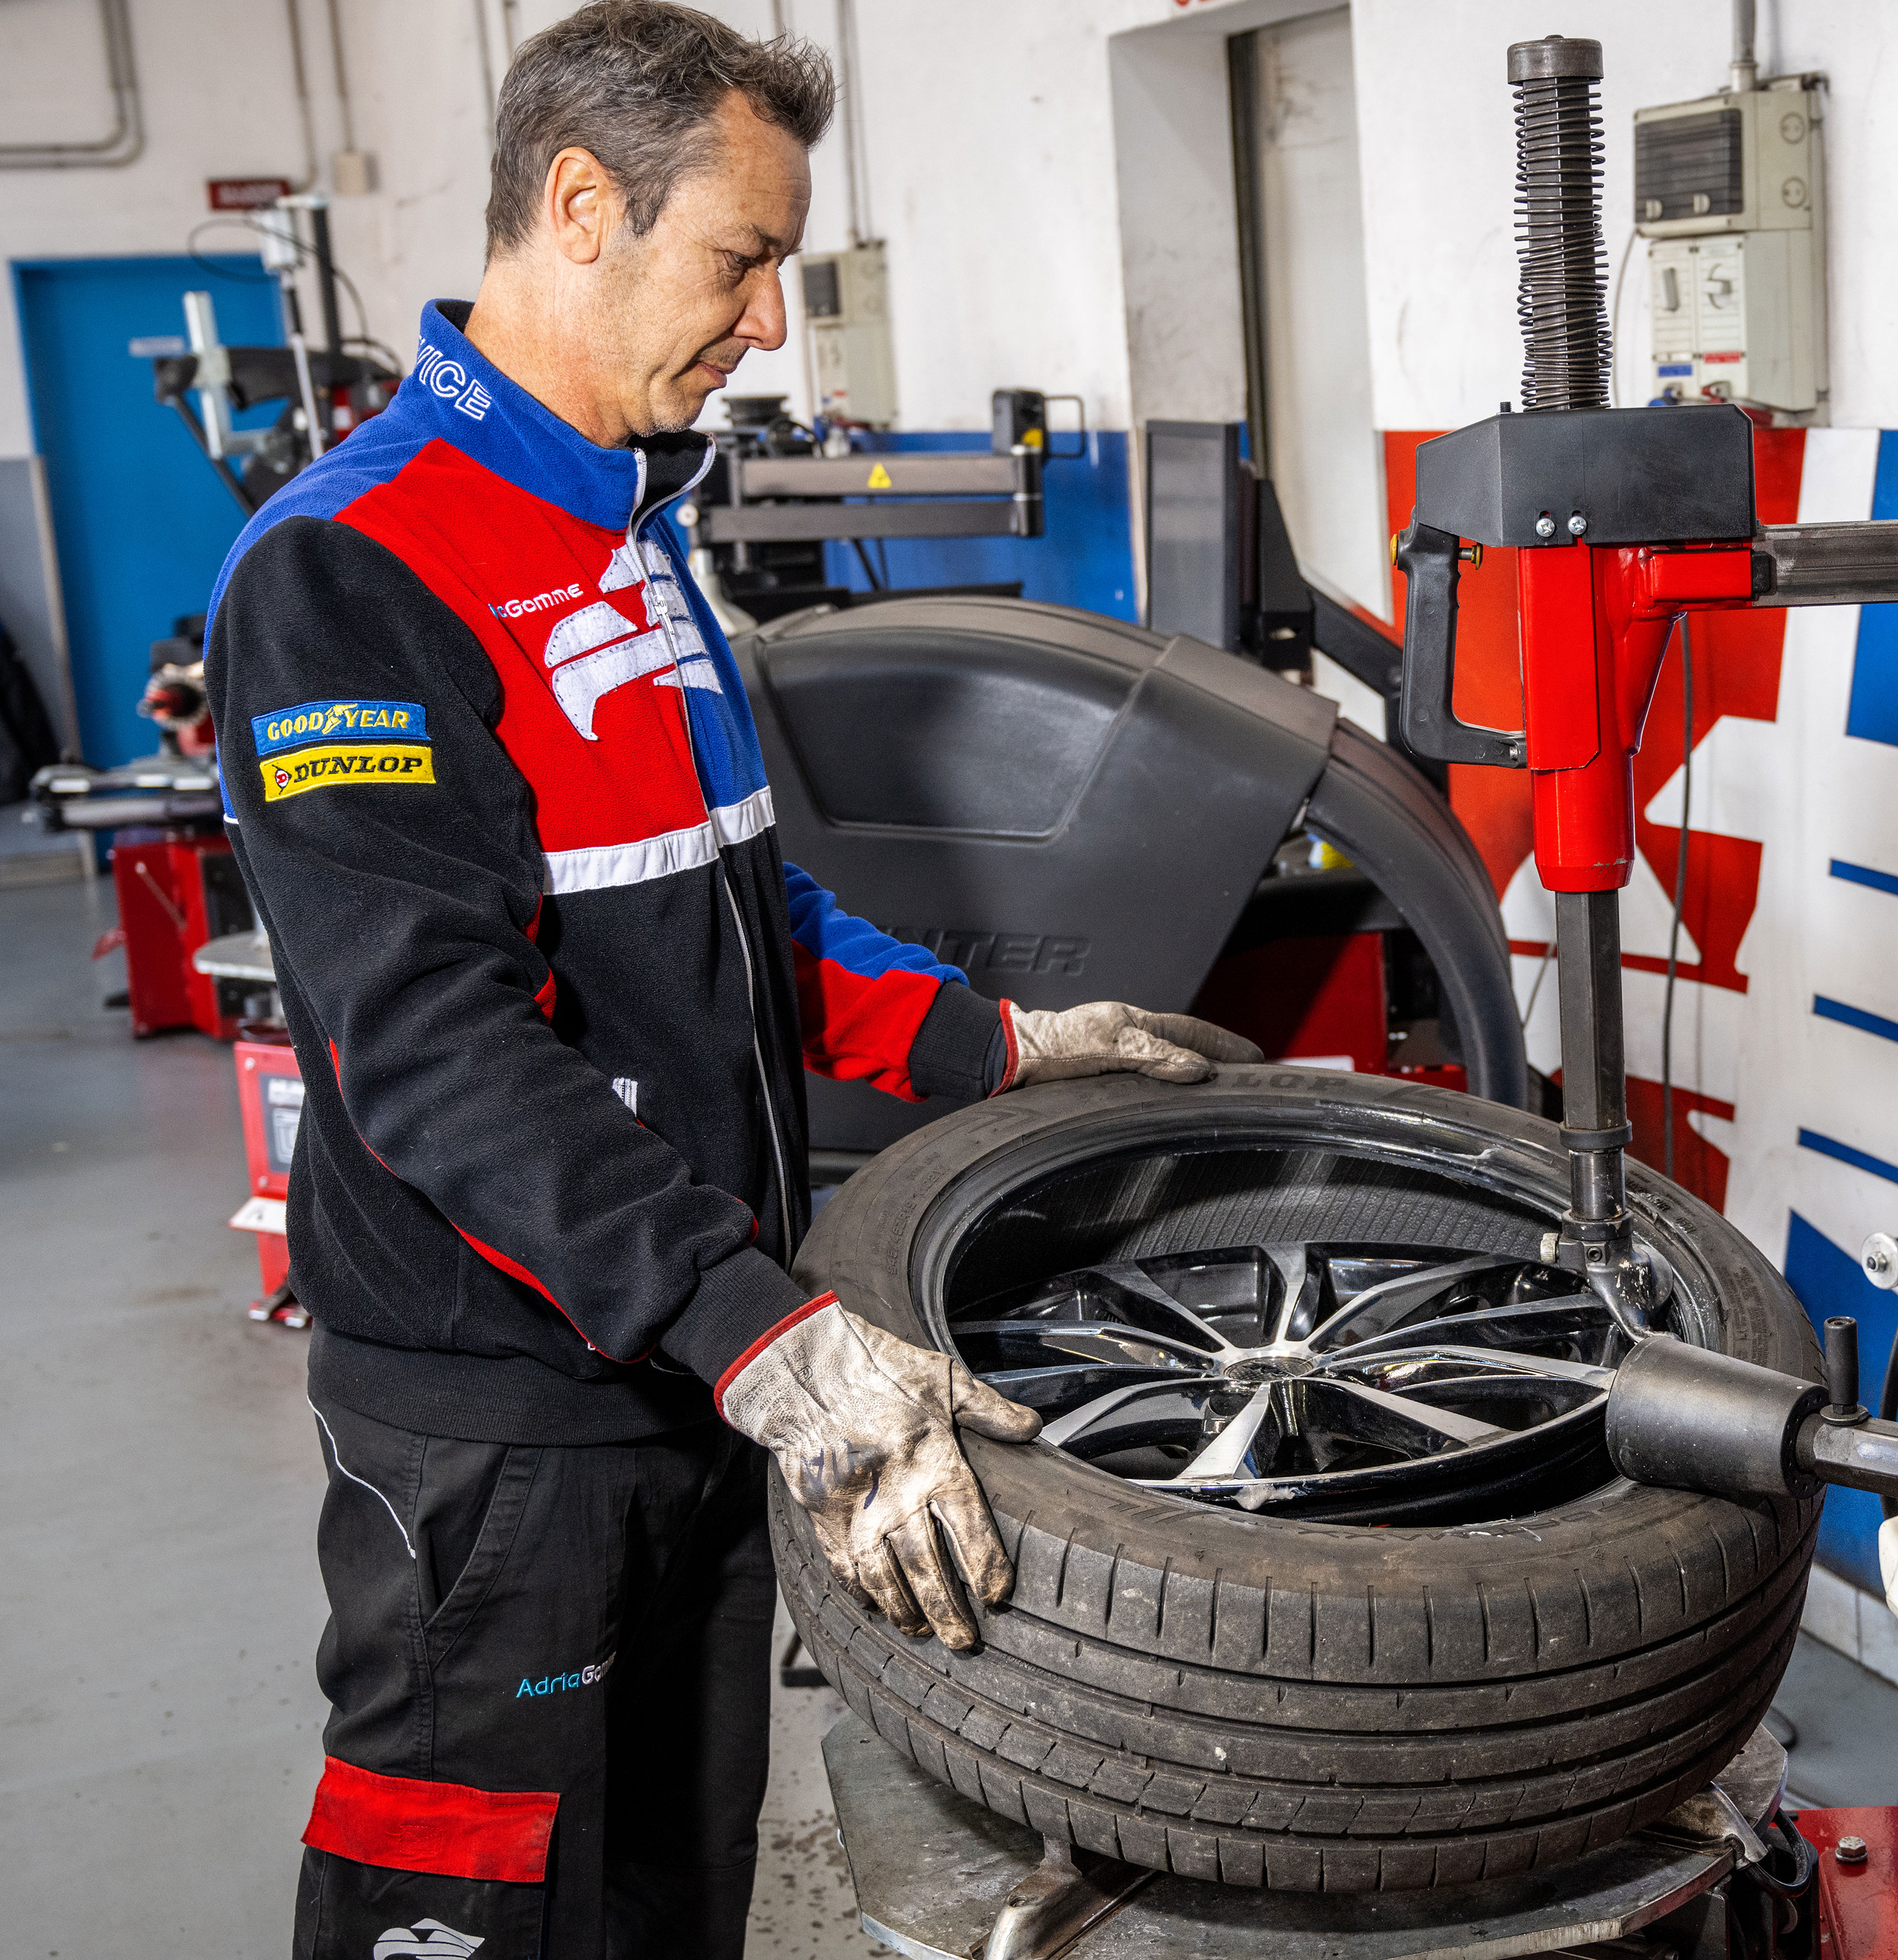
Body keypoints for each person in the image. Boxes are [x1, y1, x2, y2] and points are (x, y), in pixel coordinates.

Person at [204, 7, 1256, 1953]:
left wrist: (996, 1038)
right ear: (578, 205)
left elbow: (737, 911)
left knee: (672, 1896)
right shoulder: (352, 568)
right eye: (741, 259)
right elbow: (431, 1049)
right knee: (485, 1909)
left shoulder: (631, 522)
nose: (771, 323)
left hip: (699, 1378)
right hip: (509, 1421)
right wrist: (771, 1337)